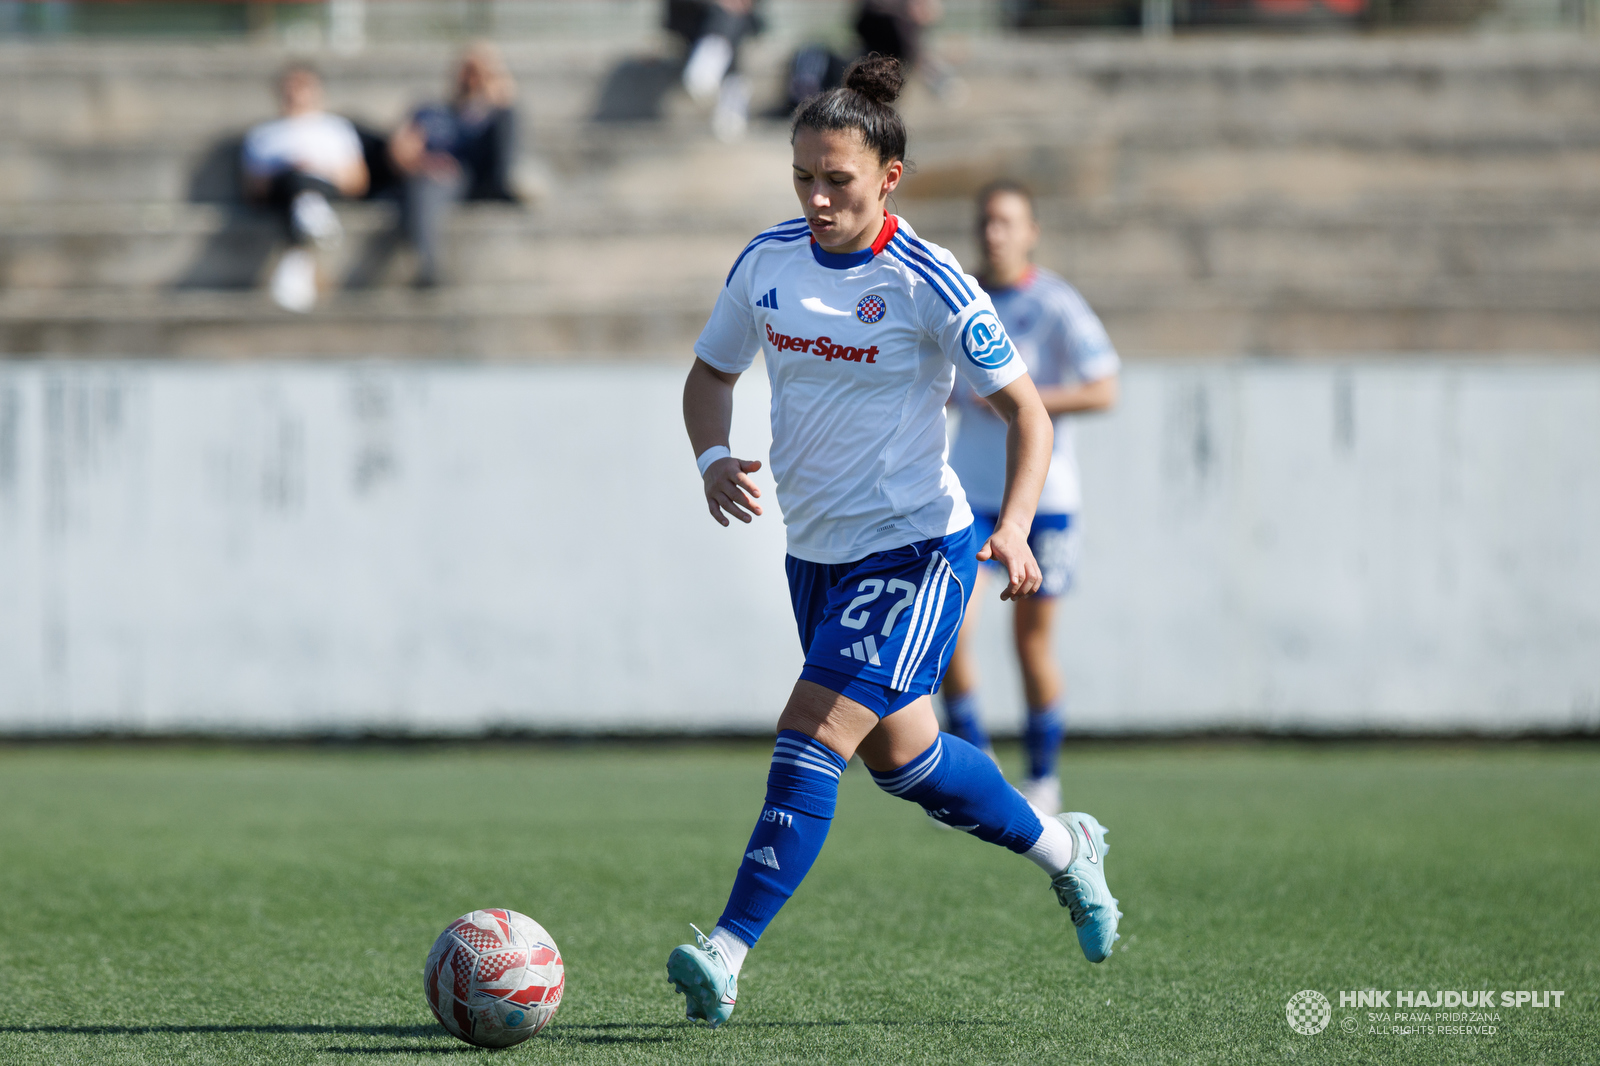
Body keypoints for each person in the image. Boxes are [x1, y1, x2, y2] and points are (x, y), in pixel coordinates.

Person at [667, 57, 1121, 1029]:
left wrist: (1012, 522)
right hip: (816, 556)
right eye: (803, 177)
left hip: (916, 549)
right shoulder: (766, 262)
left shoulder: (928, 281)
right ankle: (1062, 848)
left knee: (810, 734)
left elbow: (1029, 416)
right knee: (907, 763)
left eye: (837, 179)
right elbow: (708, 374)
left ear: (889, 178)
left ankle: (725, 948)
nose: (818, 196)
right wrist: (712, 453)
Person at [940, 182, 1120, 818]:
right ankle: (973, 772)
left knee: (1032, 642)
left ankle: (1043, 779)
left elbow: (1103, 388)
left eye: (1007, 222)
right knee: (951, 636)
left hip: (1045, 500)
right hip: (965, 495)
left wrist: (1024, 401)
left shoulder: (1055, 303)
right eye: (986, 220)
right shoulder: (955, 293)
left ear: (1031, 231)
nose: (994, 233)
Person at [387, 43, 520, 289]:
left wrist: (493, 85)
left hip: (480, 178)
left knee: (512, 116)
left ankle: (509, 185)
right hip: (436, 177)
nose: (473, 77)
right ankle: (428, 268)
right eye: (468, 69)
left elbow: (508, 109)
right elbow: (401, 151)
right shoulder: (430, 111)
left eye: (480, 71)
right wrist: (426, 163)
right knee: (426, 187)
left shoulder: (493, 116)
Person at [242, 63, 369, 313]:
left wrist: (316, 170)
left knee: (306, 184)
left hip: (326, 188)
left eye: (302, 85)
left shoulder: (336, 129)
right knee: (296, 180)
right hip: (282, 191)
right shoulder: (262, 135)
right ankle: (312, 221)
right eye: (290, 86)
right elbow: (253, 189)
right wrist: (290, 169)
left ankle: (297, 253)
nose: (295, 93)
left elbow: (357, 182)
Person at [667, 0, 761, 141]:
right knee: (729, 18)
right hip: (693, 15)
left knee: (734, 19)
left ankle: (709, 63)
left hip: (732, 21)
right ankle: (732, 102)